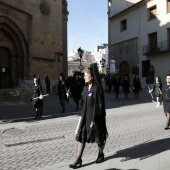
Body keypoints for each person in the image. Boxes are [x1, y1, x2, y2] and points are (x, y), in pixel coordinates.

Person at [69, 63, 108, 168]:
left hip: (95, 117)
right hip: (85, 116)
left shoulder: (96, 89)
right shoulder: (86, 88)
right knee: (82, 138)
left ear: (91, 77)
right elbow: (84, 103)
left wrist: (96, 119)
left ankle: (101, 153)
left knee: (99, 137)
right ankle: (78, 159)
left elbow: (100, 105)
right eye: (84, 76)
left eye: (86, 76)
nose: (84, 77)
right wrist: (81, 116)